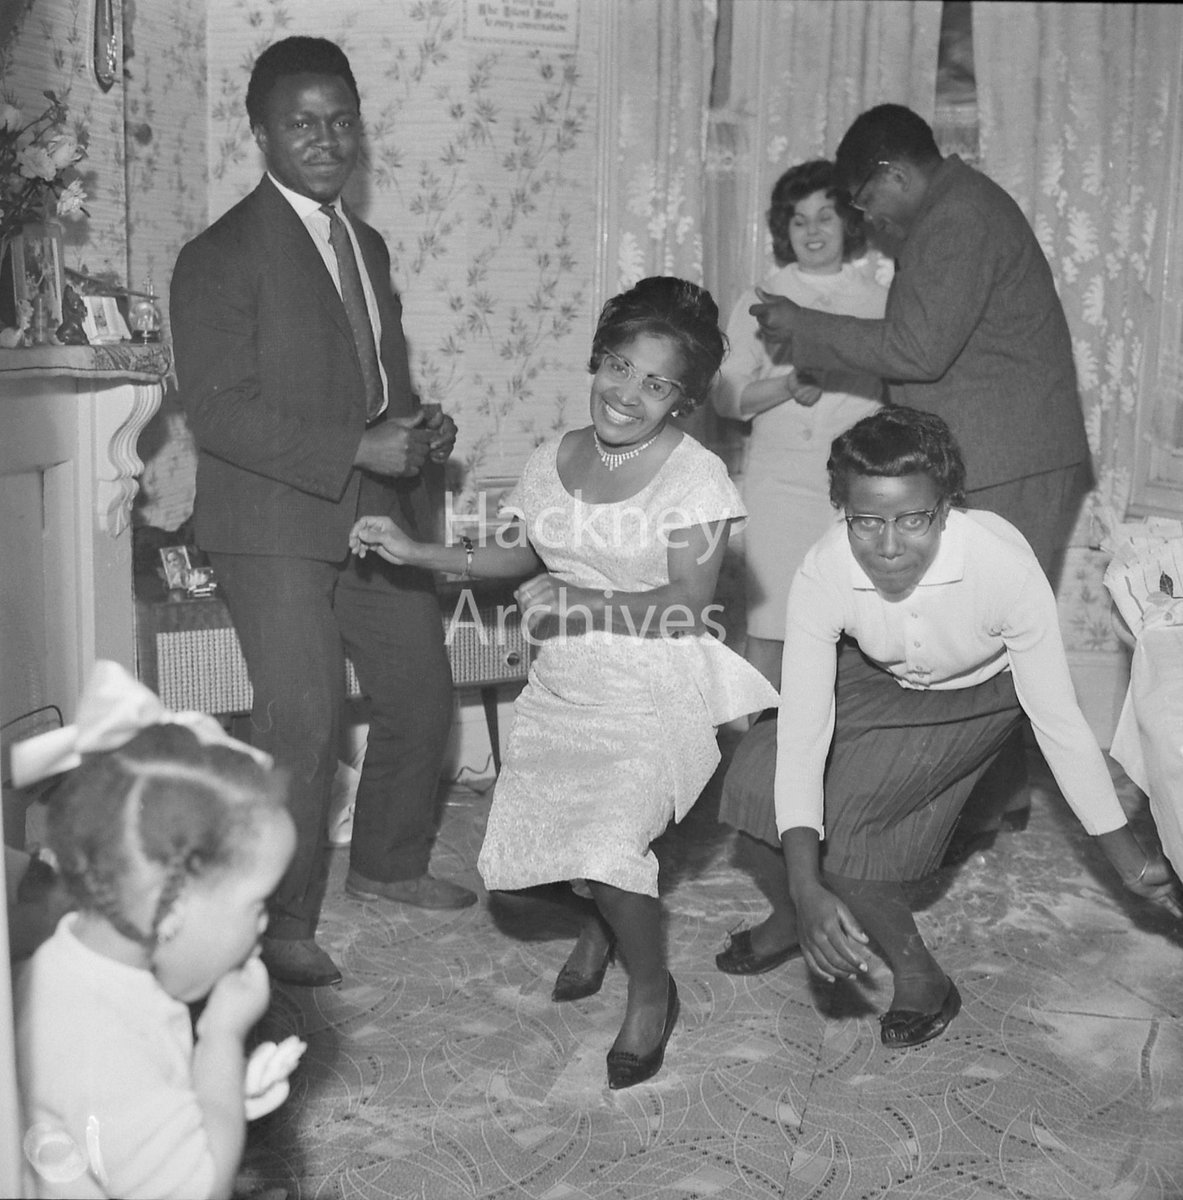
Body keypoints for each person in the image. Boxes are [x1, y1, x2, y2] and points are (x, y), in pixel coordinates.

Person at [350, 277, 778, 1089]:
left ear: (682, 399)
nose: (626, 393)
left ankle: (651, 988)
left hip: (654, 685)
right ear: (596, 360)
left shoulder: (697, 481)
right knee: (536, 860)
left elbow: (686, 609)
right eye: (617, 366)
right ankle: (601, 928)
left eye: (655, 383)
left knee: (610, 847)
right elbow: (517, 554)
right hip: (564, 683)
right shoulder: (553, 457)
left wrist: (582, 598)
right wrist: (420, 554)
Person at [714, 407, 1179, 1047]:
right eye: (866, 520)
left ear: (947, 506)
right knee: (757, 770)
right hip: (877, 674)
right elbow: (803, 732)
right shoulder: (824, 570)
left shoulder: (1001, 567)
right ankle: (798, 916)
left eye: (914, 519)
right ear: (841, 509)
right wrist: (804, 885)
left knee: (850, 833)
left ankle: (922, 977)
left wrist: (1123, 852)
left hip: (980, 691)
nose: (888, 545)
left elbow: (1059, 720)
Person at [170, 36, 472, 990]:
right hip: (268, 522)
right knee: (300, 718)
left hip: (370, 510)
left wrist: (413, 424)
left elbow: (372, 382)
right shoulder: (216, 254)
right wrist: (356, 444)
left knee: (422, 693)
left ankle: (388, 864)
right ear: (260, 132)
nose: (327, 140)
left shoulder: (365, 244)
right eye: (302, 123)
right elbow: (219, 416)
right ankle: (283, 919)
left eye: (342, 122)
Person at [748, 103, 1093, 847]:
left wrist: (804, 329)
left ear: (892, 175)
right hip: (999, 452)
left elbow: (916, 350)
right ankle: (989, 802)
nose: (864, 217)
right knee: (983, 633)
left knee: (995, 635)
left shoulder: (957, 218)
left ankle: (981, 803)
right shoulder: (950, 213)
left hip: (1013, 458)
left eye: (863, 200)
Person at [11, 661, 302, 1200]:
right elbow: (201, 1188)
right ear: (171, 909)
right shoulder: (101, 1049)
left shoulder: (73, 956)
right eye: (259, 903)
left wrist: (219, 1096)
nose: (267, 922)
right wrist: (221, 1039)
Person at [712, 159, 887, 688]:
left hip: (856, 486)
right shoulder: (761, 297)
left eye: (825, 217)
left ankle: (844, 752)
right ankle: (764, 751)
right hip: (780, 486)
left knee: (854, 625)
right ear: (783, 230)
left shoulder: (880, 301)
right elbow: (726, 396)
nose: (813, 231)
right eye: (799, 220)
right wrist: (788, 385)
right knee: (772, 625)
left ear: (848, 224)